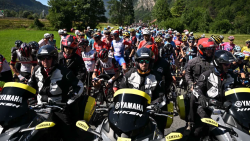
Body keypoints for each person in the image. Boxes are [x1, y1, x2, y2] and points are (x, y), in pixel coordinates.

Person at [28, 45, 84, 141]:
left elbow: (79, 86)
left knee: (67, 132)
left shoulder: (64, 72)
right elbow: (30, 86)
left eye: (48, 58)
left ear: (54, 59)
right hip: (39, 106)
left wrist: (69, 101)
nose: (45, 61)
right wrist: (29, 99)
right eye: (42, 58)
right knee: (28, 129)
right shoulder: (37, 70)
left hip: (58, 107)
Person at [190, 50, 239, 140]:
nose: (229, 66)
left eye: (229, 64)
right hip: (209, 108)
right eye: (226, 64)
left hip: (228, 109)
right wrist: (202, 98)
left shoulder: (232, 76)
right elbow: (197, 89)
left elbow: (239, 91)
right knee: (198, 131)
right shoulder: (206, 75)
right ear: (218, 64)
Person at [119, 47, 167, 134]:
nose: (144, 64)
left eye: (147, 61)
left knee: (158, 132)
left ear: (150, 62)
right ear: (137, 62)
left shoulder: (157, 77)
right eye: (141, 61)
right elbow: (121, 90)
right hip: (130, 110)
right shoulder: (129, 74)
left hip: (149, 112)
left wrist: (153, 106)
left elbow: (161, 97)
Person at [185, 38, 217, 130]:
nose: (210, 51)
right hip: (197, 88)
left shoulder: (216, 61)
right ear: (201, 49)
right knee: (191, 97)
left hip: (213, 86)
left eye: (212, 49)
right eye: (208, 49)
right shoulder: (193, 61)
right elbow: (187, 74)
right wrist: (191, 84)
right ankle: (191, 122)